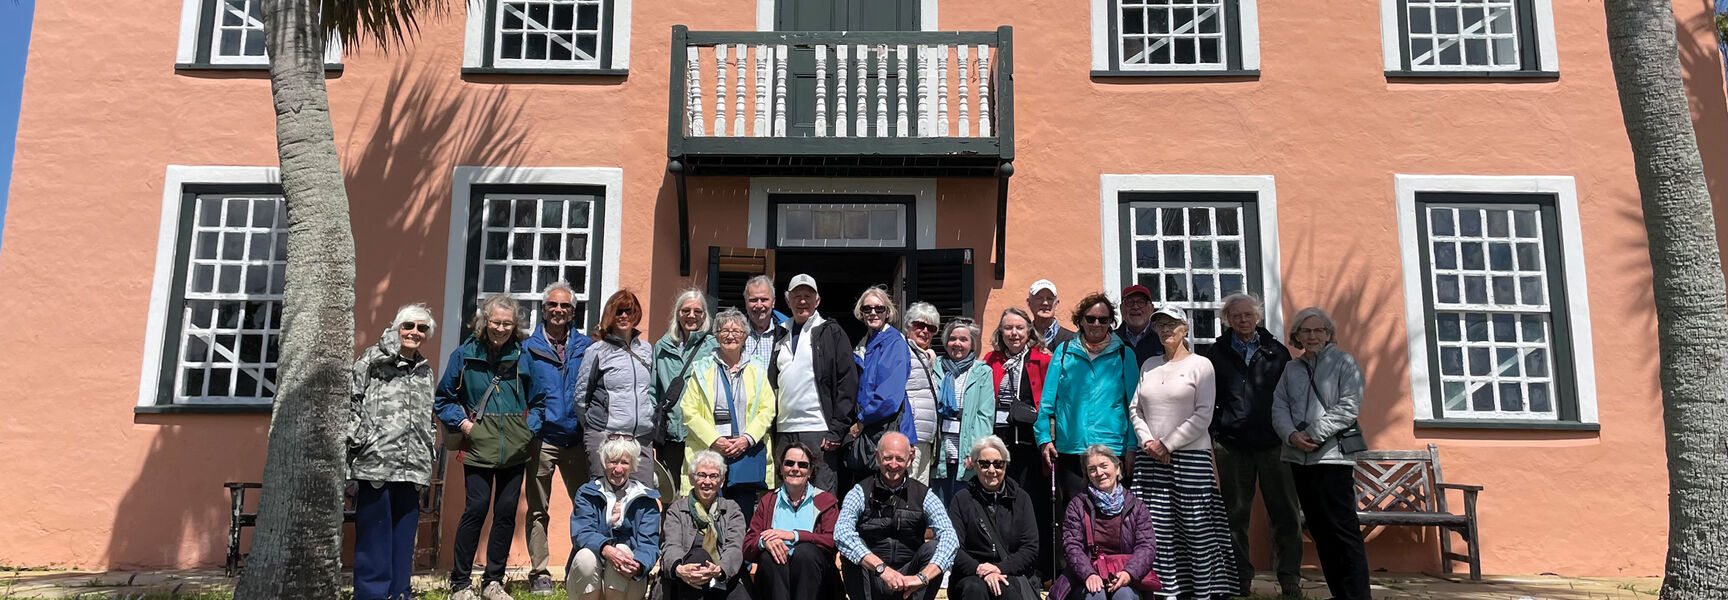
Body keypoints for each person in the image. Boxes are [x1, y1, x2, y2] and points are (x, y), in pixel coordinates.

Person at [1127, 306, 1238, 599]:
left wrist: (1168, 444)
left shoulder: (1201, 365)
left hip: (1190, 460)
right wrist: (1149, 443)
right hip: (1150, 459)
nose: (1166, 329)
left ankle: (1201, 592)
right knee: (1155, 530)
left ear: (1185, 328)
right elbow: (1136, 409)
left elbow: (1203, 414)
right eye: (1160, 324)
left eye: (1172, 324)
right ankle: (1163, 591)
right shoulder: (1149, 364)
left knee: (1196, 531)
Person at [435, 294, 540, 600]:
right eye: (496, 322)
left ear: (515, 325)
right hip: (478, 447)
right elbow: (444, 399)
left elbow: (539, 401)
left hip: (515, 450)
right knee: (476, 510)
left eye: (507, 323)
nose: (501, 328)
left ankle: (493, 582)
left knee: (506, 513)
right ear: (484, 320)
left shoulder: (524, 356)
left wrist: (527, 431)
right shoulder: (464, 355)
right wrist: (465, 425)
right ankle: (460, 583)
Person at [1203, 293, 1301, 598]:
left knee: (1285, 512)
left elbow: (1291, 397)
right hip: (1232, 445)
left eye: (1247, 315)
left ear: (1257, 317)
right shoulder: (1216, 353)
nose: (1242, 320)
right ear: (1227, 320)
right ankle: (1240, 577)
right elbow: (1208, 396)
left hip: (1274, 443)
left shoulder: (1277, 352)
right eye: (1236, 316)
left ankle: (1290, 578)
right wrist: (1216, 431)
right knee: (1234, 515)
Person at [1273, 307, 1371, 600]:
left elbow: (1348, 407)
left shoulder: (1344, 363)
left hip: (1332, 458)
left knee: (1343, 529)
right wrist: (1291, 435)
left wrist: (1313, 434)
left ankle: (1358, 595)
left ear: (1328, 334)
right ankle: (1340, 593)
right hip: (1299, 459)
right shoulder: (1291, 369)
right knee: (1320, 531)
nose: (1312, 336)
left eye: (1318, 330)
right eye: (1306, 331)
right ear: (1297, 335)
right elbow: (1279, 406)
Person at [347, 304, 437, 600]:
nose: (414, 332)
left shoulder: (425, 371)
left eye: (422, 328)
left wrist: (428, 450)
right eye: (408, 326)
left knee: (403, 538)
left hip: (413, 467)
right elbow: (351, 400)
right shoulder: (373, 359)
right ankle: (371, 595)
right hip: (376, 461)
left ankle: (400, 593)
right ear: (397, 327)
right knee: (374, 536)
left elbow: (427, 417)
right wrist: (358, 438)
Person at [524, 281, 597, 593]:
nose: (558, 310)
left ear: (573, 311)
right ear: (543, 309)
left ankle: (578, 565)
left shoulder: (586, 347)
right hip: (542, 440)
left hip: (577, 439)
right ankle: (540, 571)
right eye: (552, 305)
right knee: (537, 509)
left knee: (587, 507)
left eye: (564, 305)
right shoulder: (528, 348)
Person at [1036, 293, 1139, 508]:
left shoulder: (1124, 354)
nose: (1096, 324)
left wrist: (1132, 446)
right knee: (1076, 512)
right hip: (1072, 448)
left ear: (1111, 322)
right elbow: (1047, 402)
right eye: (1090, 318)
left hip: (1112, 448)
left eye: (1103, 319)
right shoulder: (1064, 352)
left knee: (1112, 513)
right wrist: (1044, 438)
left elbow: (1134, 405)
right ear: (1080, 321)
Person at [834, 432, 959, 600]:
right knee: (851, 551)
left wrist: (922, 578)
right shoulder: (859, 492)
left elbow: (950, 537)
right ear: (877, 457)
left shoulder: (925, 495)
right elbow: (841, 533)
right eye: (888, 458)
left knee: (934, 547)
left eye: (899, 459)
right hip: (872, 577)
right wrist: (881, 569)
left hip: (910, 581)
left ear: (909, 460)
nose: (893, 465)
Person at [681, 308, 776, 524]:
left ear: (745, 336)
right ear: (716, 335)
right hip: (710, 454)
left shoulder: (757, 369)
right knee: (707, 516)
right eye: (724, 330)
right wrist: (714, 439)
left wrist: (746, 439)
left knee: (741, 517)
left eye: (736, 331)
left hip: (745, 455)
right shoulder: (702, 369)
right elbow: (689, 409)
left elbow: (767, 408)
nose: (730, 335)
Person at [768, 274, 859, 493]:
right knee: (786, 494)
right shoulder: (780, 333)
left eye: (807, 296)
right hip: (785, 429)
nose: (802, 301)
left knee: (821, 496)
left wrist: (837, 430)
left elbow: (847, 382)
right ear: (787, 301)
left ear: (817, 301)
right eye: (796, 296)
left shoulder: (831, 332)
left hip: (818, 430)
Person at [982, 307, 1055, 581]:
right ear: (1000, 332)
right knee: (1002, 504)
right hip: (998, 444)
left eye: (1019, 328)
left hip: (1030, 445)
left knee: (1033, 505)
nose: (1014, 333)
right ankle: (1004, 563)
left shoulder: (1043, 359)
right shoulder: (990, 360)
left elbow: (1051, 402)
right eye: (1008, 328)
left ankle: (1037, 567)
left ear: (1029, 332)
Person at [573, 290, 657, 486]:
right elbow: (581, 397)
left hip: (640, 438)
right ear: (610, 315)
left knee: (643, 495)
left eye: (629, 311)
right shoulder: (596, 351)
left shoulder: (646, 349)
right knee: (605, 496)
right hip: (606, 437)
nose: (624, 316)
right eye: (619, 312)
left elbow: (650, 391)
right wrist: (595, 427)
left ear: (636, 314)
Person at [1051, 446, 1158, 600]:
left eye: (1104, 466)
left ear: (1117, 468)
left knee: (1124, 594)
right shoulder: (1077, 505)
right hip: (1087, 576)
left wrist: (1129, 573)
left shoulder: (1137, 506)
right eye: (1092, 469)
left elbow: (1146, 546)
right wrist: (1088, 574)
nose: (1099, 473)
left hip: (1126, 575)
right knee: (1096, 595)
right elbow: (1072, 546)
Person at [744, 442, 842, 600]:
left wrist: (795, 535)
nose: (795, 469)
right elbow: (748, 545)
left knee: (805, 553)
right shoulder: (768, 501)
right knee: (771, 556)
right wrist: (764, 542)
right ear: (781, 468)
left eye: (802, 465)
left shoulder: (825, 500)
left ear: (810, 471)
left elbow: (833, 541)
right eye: (789, 463)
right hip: (776, 577)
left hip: (815, 577)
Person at [947, 436, 1041, 600]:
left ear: (1006, 465)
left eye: (998, 464)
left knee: (1006, 590)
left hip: (1011, 572)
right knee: (974, 588)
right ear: (975, 465)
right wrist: (979, 569)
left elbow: (1030, 547)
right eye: (985, 464)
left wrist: (999, 568)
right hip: (970, 574)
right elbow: (953, 547)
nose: (992, 470)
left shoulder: (1021, 498)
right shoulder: (961, 499)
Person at [570, 437, 663, 600]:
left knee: (623, 551)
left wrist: (639, 565)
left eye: (624, 463)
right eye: (613, 462)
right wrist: (606, 549)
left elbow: (649, 544)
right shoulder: (586, 493)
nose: (618, 469)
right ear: (604, 463)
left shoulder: (646, 499)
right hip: (589, 577)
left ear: (632, 465)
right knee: (585, 556)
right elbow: (582, 532)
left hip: (630, 581)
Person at [655, 290, 720, 495]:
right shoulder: (662, 346)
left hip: (701, 435)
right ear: (678, 313)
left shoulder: (714, 347)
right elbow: (653, 390)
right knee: (670, 494)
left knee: (701, 493)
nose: (691, 315)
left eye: (697, 311)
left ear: (704, 315)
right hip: (671, 435)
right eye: (686, 310)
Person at [849, 286, 917, 482]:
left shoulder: (894, 343)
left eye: (879, 308)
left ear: (887, 312)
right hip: (872, 429)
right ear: (861, 313)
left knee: (889, 484)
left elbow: (889, 397)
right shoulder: (864, 344)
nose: (873, 313)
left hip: (887, 427)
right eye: (867, 308)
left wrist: (861, 421)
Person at [661, 451, 750, 600]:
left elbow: (735, 547)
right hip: (686, 579)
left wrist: (720, 569)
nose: (707, 481)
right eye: (701, 475)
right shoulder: (677, 509)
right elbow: (671, 545)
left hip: (723, 576)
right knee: (698, 556)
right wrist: (679, 569)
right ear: (692, 479)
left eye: (713, 476)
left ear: (721, 481)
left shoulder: (732, 509)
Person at [932, 316, 988, 503]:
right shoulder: (934, 366)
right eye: (952, 338)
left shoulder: (982, 372)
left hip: (966, 452)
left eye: (963, 339)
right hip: (939, 452)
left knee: (962, 506)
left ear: (972, 344)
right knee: (939, 505)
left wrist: (976, 451)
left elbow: (984, 416)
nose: (957, 343)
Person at [902, 301, 943, 485]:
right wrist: (906, 436)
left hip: (926, 437)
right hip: (911, 437)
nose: (925, 331)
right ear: (908, 326)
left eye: (931, 328)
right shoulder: (903, 352)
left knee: (920, 489)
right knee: (908, 486)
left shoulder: (926, 357)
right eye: (920, 325)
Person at [742, 275, 786, 369]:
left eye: (764, 300)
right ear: (746, 302)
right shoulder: (735, 332)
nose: (759, 305)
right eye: (753, 300)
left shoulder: (786, 332)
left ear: (773, 302)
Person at [1114, 285, 1163, 366]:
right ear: (1121, 308)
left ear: (1152, 308)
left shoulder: (1163, 338)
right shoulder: (1111, 340)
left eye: (1141, 302)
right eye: (1130, 302)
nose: (1135, 307)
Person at [1027, 279, 1076, 348]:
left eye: (1049, 298)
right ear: (1029, 303)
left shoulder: (1072, 340)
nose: (1045, 303)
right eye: (1039, 298)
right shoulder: (1021, 337)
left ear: (1056, 304)